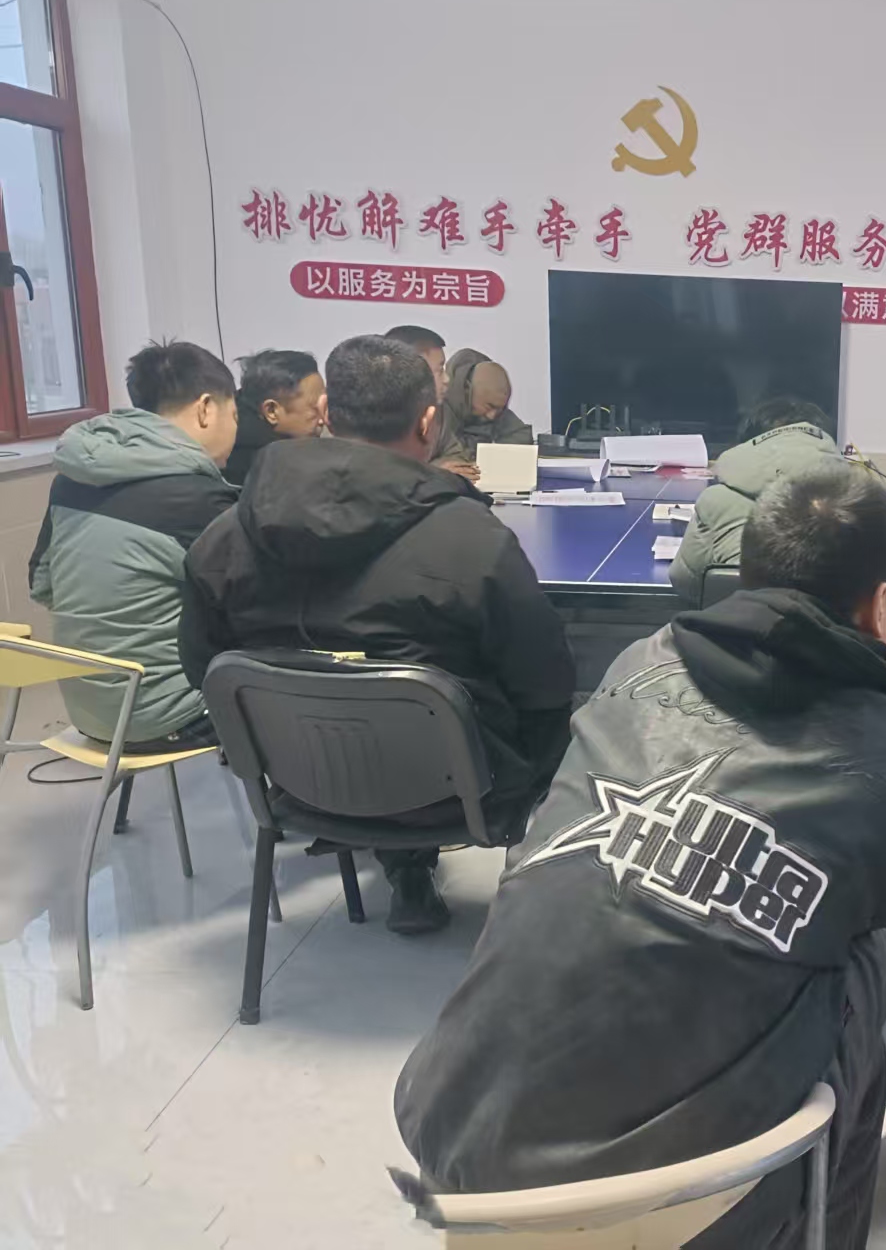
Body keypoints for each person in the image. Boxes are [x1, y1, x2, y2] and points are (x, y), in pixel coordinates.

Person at [394, 469, 886, 1249]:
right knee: (866, 955)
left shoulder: (640, 658)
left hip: (456, 1130)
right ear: (881, 603)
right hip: (674, 1200)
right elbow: (884, 892)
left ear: (746, 576)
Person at [179, 335, 576, 935]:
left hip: (299, 782)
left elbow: (202, 667)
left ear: (326, 413)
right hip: (462, 790)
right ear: (428, 422)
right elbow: (545, 684)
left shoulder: (222, 539)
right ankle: (537, 922)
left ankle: (406, 871)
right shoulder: (472, 540)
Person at [28, 341, 238, 752]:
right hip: (165, 718)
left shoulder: (70, 481)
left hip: (88, 713)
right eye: (234, 415)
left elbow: (42, 585)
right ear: (206, 409)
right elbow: (259, 608)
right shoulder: (197, 499)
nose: (235, 429)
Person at [668, 396, 850, 600]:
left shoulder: (715, 499)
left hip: (733, 617)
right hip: (827, 620)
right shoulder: (856, 500)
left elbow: (686, 581)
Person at [223, 349, 325, 487]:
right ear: (271, 411)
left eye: (325, 404)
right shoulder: (259, 470)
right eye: (315, 409)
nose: (324, 418)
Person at [431, 348, 533, 466]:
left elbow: (521, 436)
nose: (492, 415)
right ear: (467, 389)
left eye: (500, 408)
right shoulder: (438, 411)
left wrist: (491, 458)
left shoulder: (495, 410)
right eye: (489, 406)